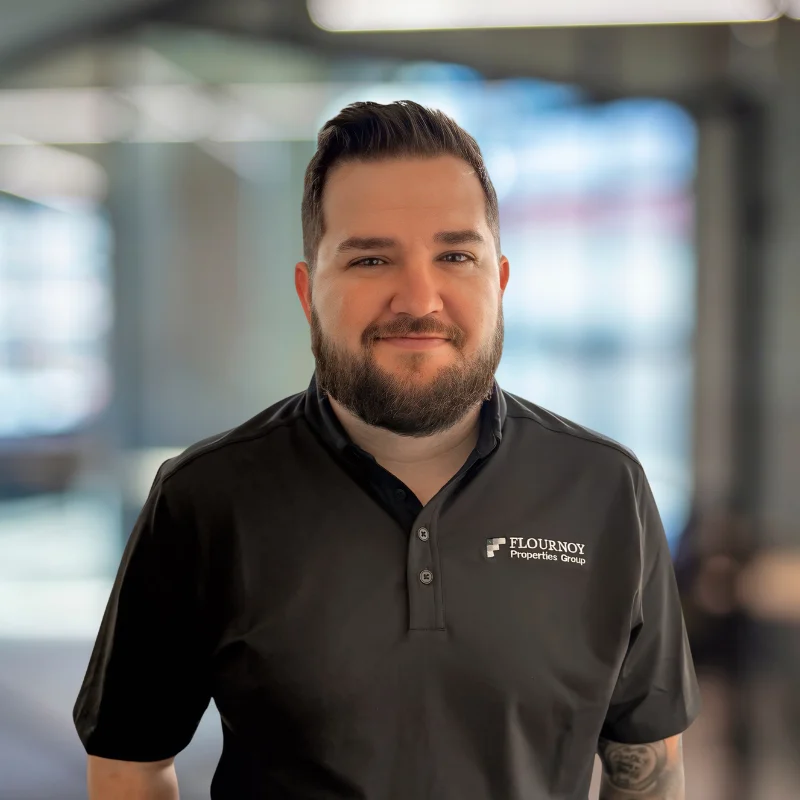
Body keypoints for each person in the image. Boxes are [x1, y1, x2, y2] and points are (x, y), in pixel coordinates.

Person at [74, 100, 701, 800]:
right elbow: (131, 764)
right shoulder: (206, 498)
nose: (419, 298)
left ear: (497, 283)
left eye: (455, 255)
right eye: (371, 257)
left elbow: (646, 768)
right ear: (310, 294)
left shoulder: (604, 490)